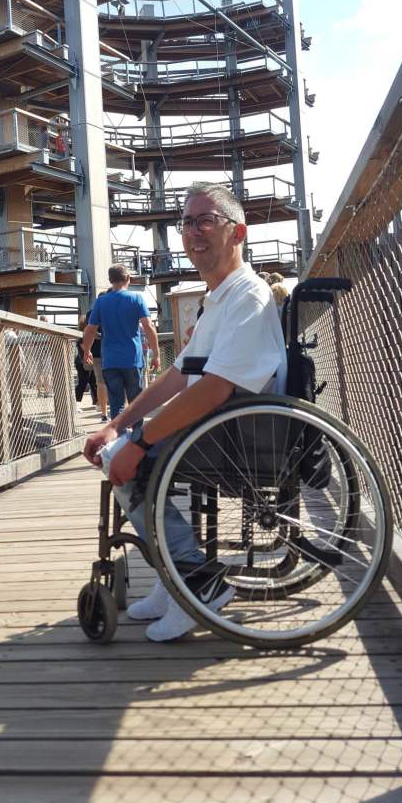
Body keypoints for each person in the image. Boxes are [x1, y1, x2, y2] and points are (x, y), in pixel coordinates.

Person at [84, 182, 287, 642]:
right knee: (115, 452)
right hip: (217, 430)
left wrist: (139, 442)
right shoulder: (218, 299)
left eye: (206, 221)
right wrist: (117, 424)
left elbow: (214, 389)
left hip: (237, 436)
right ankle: (176, 576)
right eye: (187, 222)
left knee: (125, 464)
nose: (193, 231)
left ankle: (197, 584)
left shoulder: (247, 296)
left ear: (238, 233)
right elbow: (177, 377)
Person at [82, 265, 160, 421]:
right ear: (128, 279)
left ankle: (119, 433)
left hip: (110, 360)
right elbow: (148, 326)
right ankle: (136, 433)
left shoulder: (101, 301)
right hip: (132, 359)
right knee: (135, 403)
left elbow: (90, 329)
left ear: (110, 280)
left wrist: (87, 350)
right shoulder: (136, 298)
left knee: (116, 404)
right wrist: (156, 354)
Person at [75, 315, 98, 408]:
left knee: (94, 382)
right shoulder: (82, 336)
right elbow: (85, 348)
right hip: (81, 363)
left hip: (90, 362)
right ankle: (76, 402)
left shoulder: (89, 334)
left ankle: (97, 402)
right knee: (82, 383)